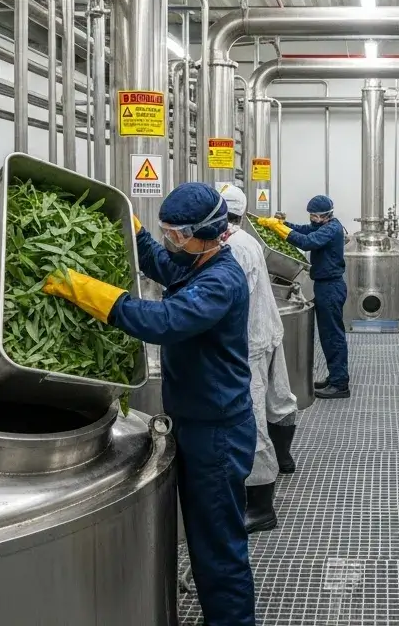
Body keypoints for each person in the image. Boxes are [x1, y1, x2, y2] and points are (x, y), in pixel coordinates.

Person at [42, 183, 257, 625]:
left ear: (206, 232)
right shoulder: (196, 263)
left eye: (176, 235)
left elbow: (162, 321)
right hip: (198, 421)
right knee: (205, 538)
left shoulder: (220, 280)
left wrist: (86, 290)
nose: (169, 243)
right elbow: (162, 265)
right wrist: (131, 229)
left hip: (217, 434)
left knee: (218, 548)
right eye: (164, 232)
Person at [219, 185, 300, 533]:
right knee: (279, 399)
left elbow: (229, 299)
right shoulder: (247, 239)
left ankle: (261, 505)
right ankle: (284, 458)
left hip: (249, 340)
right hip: (268, 328)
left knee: (251, 421)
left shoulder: (232, 247)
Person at [258, 195, 349, 399]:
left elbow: (307, 242)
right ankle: (335, 377)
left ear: (324, 216)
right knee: (328, 335)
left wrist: (280, 229)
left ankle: (340, 384)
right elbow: (304, 230)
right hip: (325, 286)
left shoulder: (332, 228)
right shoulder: (321, 225)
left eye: (314, 216)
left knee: (333, 336)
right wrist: (282, 224)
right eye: (311, 216)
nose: (312, 220)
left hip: (331, 287)